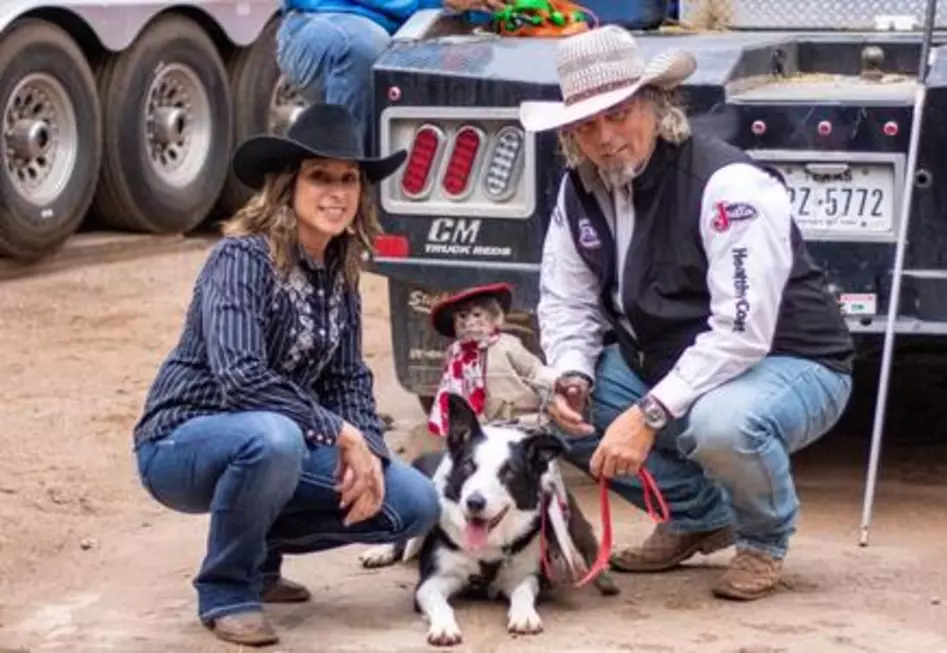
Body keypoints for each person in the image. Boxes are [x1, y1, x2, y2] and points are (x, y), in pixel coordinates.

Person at [518, 25, 856, 601]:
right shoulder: (578, 191)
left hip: (791, 361)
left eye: (619, 114)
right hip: (672, 364)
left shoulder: (727, 184)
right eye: (586, 125)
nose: (605, 138)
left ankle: (764, 540)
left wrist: (646, 415)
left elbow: (742, 334)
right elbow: (567, 301)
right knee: (552, 414)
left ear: (655, 104)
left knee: (723, 425)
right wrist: (572, 375)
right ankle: (697, 517)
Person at [131, 102, 441, 647]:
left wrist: (367, 448)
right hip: (181, 442)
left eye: (350, 179)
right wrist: (341, 434)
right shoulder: (242, 259)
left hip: (279, 448)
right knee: (274, 436)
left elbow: (348, 380)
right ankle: (227, 590)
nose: (338, 192)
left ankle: (260, 552)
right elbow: (241, 378)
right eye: (321, 176)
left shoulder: (338, 274)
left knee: (414, 503)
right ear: (286, 186)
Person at [276, 0, 506, 147]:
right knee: (365, 48)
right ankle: (346, 176)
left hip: (421, 28)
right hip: (326, 19)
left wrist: (484, 8)